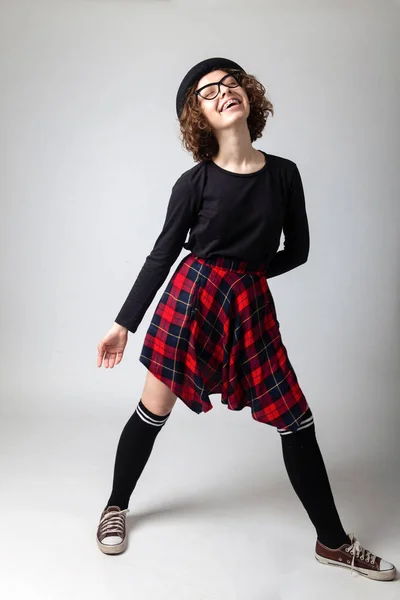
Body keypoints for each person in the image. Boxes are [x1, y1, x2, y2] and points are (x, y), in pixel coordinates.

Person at [95, 57, 396, 581]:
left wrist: (248, 278)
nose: (223, 92)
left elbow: (298, 250)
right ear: (199, 118)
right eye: (208, 92)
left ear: (248, 96)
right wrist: (124, 322)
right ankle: (115, 506)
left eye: (230, 83)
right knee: (153, 410)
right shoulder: (194, 183)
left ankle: (333, 542)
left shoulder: (284, 174)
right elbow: (162, 255)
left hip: (249, 305)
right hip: (190, 301)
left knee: (296, 420)